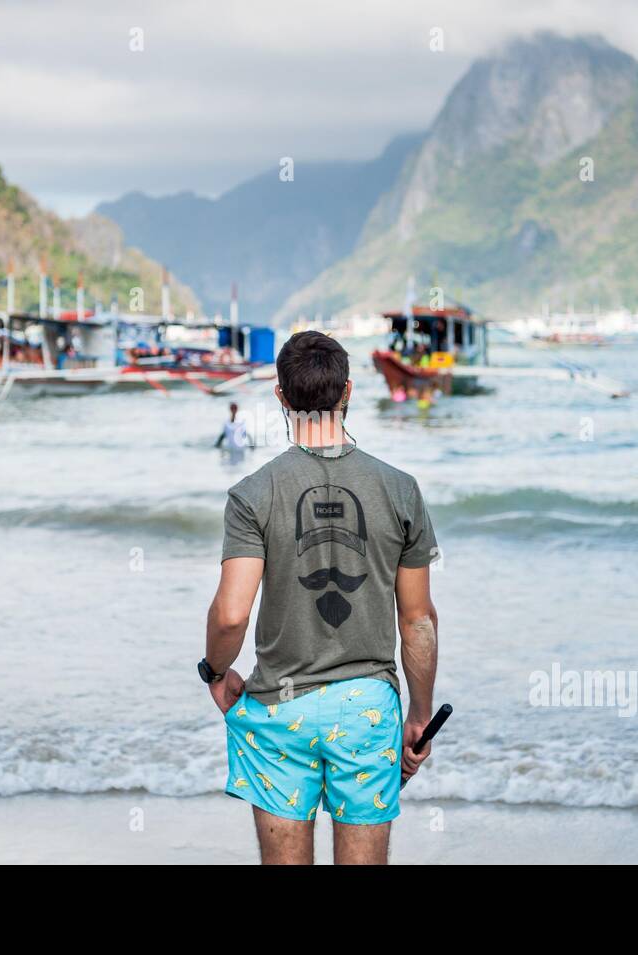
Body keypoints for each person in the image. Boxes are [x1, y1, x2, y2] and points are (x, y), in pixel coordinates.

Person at [199, 330, 440, 865]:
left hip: (278, 709)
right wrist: (418, 715)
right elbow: (417, 619)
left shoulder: (253, 494)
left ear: (281, 397)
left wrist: (215, 671)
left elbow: (232, 613)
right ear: (348, 391)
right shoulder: (400, 489)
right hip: (369, 709)